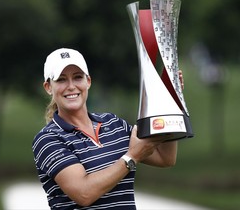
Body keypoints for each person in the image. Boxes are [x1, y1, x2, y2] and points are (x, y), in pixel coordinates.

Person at [32, 48, 183, 210]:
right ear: (48, 87)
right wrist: (131, 157)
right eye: (61, 80)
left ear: (88, 81)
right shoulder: (48, 139)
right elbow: (84, 194)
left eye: (77, 77)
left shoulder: (113, 124)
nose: (71, 86)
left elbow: (166, 158)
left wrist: (170, 105)